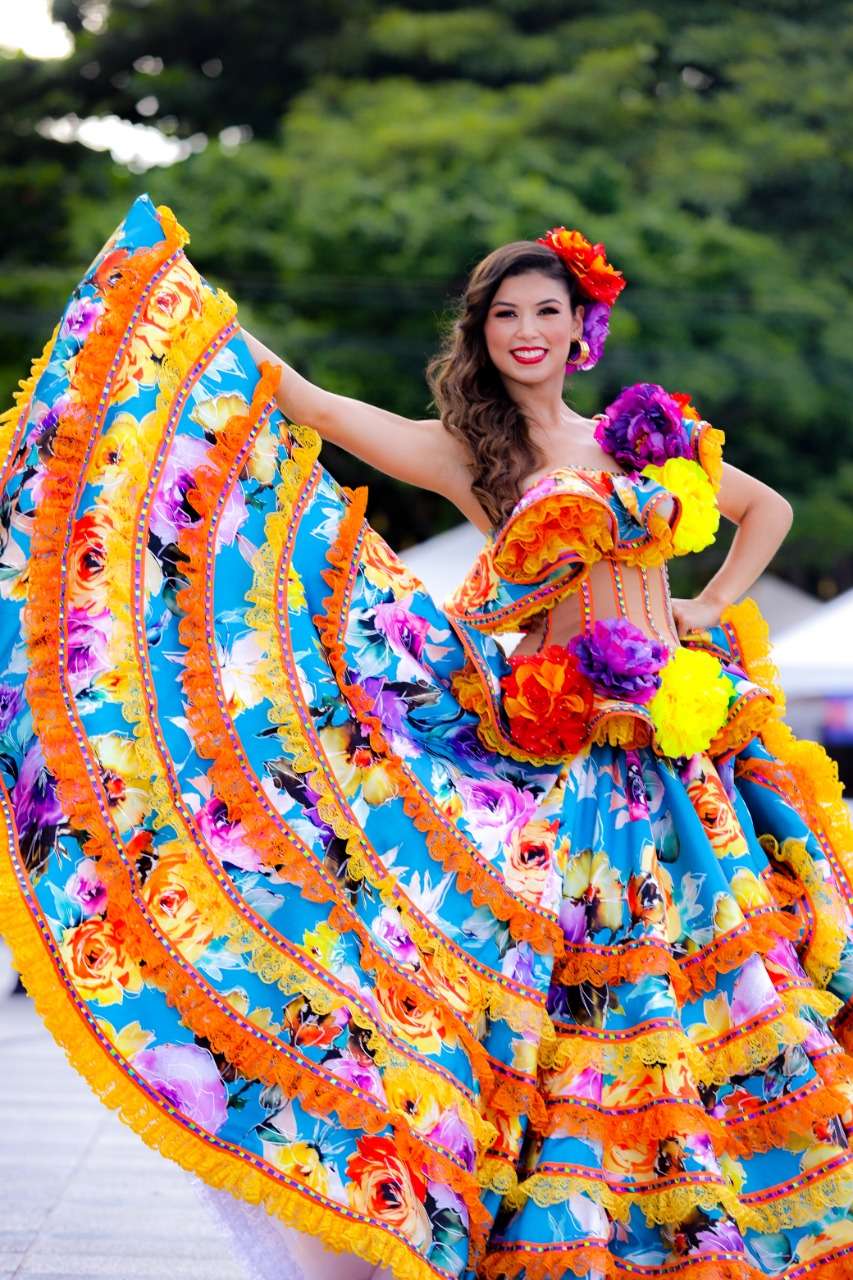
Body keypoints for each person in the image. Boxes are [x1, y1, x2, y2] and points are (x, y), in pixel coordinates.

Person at [2, 196, 853, 1280]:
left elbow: (766, 508)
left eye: (547, 309)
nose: (527, 330)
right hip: (572, 762)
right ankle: (580, 1215)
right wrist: (187, 309)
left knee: (722, 984)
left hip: (689, 757)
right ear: (483, 331)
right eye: (505, 314)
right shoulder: (470, 454)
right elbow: (309, 401)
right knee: (592, 987)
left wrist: (703, 610)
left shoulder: (644, 439)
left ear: (580, 327)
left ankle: (725, 1205)